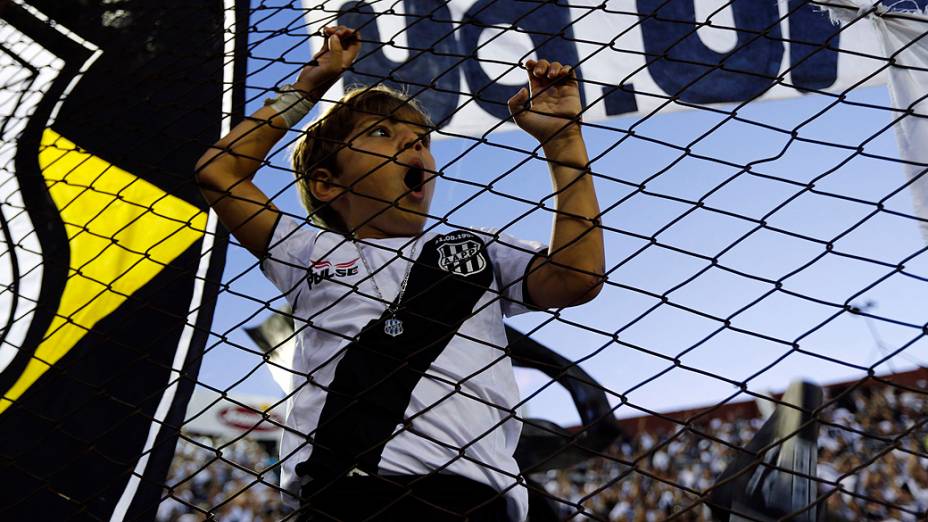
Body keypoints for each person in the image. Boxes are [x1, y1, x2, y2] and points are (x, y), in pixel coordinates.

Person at [194, 25, 604, 522]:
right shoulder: (304, 249)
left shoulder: (475, 249)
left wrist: (564, 141)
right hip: (341, 494)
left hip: (472, 496)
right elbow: (220, 173)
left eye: (422, 140)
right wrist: (308, 87)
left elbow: (576, 277)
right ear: (326, 183)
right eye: (383, 133)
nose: (414, 146)